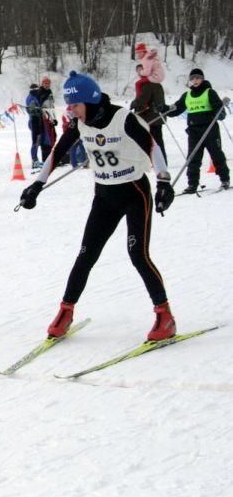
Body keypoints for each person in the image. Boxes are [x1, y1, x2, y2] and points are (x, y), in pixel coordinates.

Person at [19, 71, 177, 341]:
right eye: (69, 106)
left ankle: (165, 316)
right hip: (104, 196)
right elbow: (58, 152)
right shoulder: (79, 123)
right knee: (86, 254)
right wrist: (37, 185)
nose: (71, 111)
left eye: (75, 106)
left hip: (134, 192)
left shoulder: (122, 118)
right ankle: (66, 310)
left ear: (89, 102)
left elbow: (153, 146)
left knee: (138, 255)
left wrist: (163, 181)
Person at [158, 68, 229, 192]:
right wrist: (163, 108)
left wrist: (220, 113)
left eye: (197, 78)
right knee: (192, 158)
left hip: (210, 129)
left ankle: (224, 180)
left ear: (202, 79)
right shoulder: (187, 95)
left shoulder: (209, 92)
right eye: (192, 79)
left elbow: (219, 108)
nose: (195, 81)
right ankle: (192, 184)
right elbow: (176, 109)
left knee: (217, 155)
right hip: (194, 131)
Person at [130, 63, 167, 162]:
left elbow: (143, 99)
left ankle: (159, 162)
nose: (139, 72)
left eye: (141, 70)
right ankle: (158, 160)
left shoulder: (148, 83)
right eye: (137, 70)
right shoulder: (152, 82)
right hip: (155, 116)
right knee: (156, 141)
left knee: (154, 141)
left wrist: (133, 104)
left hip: (152, 116)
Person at [25, 84, 43, 169]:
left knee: (37, 141)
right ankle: (34, 160)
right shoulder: (32, 98)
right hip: (34, 121)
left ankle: (35, 159)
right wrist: (40, 111)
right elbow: (32, 111)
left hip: (34, 121)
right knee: (36, 141)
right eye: (37, 89)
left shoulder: (32, 97)